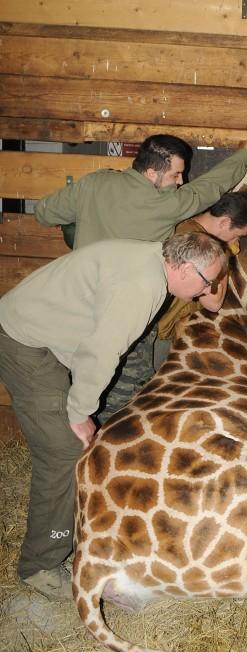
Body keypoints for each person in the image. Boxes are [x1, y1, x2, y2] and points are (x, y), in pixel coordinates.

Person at [0, 232, 226, 600]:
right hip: (25, 344)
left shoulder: (153, 259)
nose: (207, 290)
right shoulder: (142, 286)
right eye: (206, 281)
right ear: (184, 267)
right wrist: (79, 412)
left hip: (43, 337)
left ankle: (72, 534)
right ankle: (40, 565)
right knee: (64, 451)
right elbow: (101, 351)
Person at [34, 130, 247, 421]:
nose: (181, 181)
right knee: (127, 401)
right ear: (151, 173)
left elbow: (44, 213)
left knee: (78, 384)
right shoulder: (166, 206)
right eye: (176, 175)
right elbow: (211, 186)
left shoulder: (94, 182)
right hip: (125, 313)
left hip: (75, 309)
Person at [154, 192, 247, 366]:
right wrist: (225, 253)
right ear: (224, 222)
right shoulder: (196, 239)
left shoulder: (187, 226)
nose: (236, 241)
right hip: (157, 335)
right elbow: (213, 302)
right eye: (238, 235)